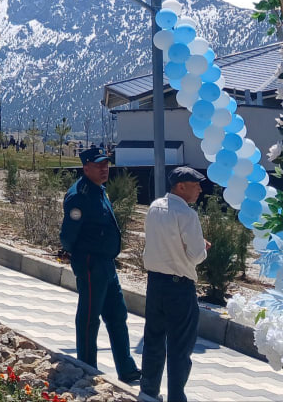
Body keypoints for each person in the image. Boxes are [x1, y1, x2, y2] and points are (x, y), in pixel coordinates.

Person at [60, 148, 140, 384]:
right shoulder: (79, 196)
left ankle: (126, 368)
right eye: (99, 165)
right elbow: (68, 236)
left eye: (106, 164)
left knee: (117, 314)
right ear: (86, 168)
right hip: (91, 262)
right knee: (89, 316)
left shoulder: (98, 190)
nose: (105, 169)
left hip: (106, 263)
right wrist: (79, 257)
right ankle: (87, 366)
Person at [140, 167, 209, 402]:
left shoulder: (154, 207)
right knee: (180, 345)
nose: (200, 189)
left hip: (155, 281)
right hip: (179, 285)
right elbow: (196, 255)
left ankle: (148, 390)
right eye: (195, 185)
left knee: (153, 338)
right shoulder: (187, 214)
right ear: (181, 186)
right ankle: (176, 396)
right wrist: (203, 247)